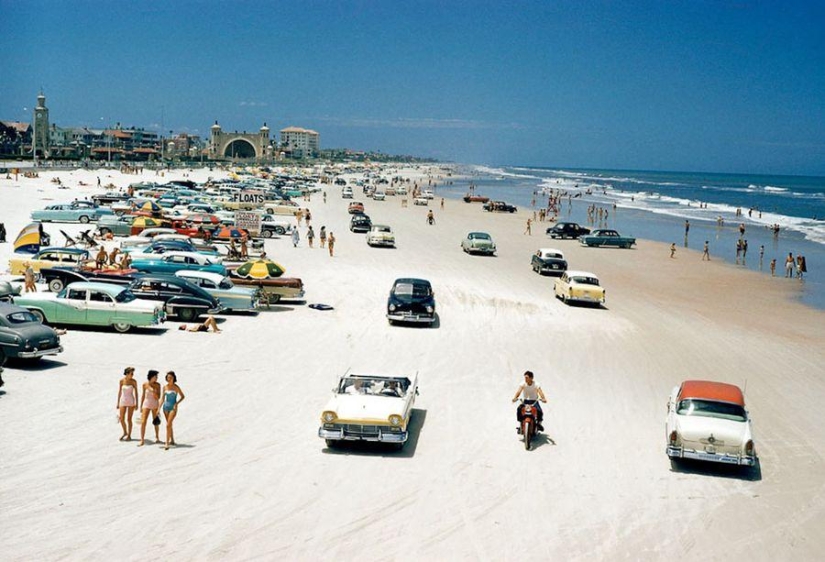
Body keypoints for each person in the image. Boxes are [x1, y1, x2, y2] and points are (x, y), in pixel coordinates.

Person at [161, 371, 185, 450]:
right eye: (168, 377)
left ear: (173, 378)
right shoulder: (165, 387)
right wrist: (158, 408)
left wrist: (176, 403)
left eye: (170, 377)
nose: (169, 379)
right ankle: (172, 440)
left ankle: (167, 443)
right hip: (165, 407)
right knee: (169, 424)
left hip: (173, 408)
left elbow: (182, 396)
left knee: (168, 425)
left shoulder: (176, 387)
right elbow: (162, 399)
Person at [138, 370, 161, 446]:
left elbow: (158, 397)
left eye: (157, 376)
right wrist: (141, 406)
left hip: (155, 404)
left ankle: (157, 437)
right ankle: (142, 440)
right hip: (146, 404)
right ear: (151, 377)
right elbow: (143, 396)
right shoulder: (145, 384)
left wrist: (154, 392)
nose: (157, 378)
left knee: (156, 422)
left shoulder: (158, 385)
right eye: (155, 376)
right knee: (143, 422)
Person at [117, 367, 139, 441]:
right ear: (127, 374)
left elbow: (136, 393)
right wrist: (118, 402)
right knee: (121, 419)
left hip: (131, 401)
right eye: (131, 373)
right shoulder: (121, 381)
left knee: (129, 419)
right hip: (123, 400)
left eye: (133, 373)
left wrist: (137, 403)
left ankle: (129, 435)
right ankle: (125, 432)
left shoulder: (134, 381)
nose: (132, 375)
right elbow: (119, 391)